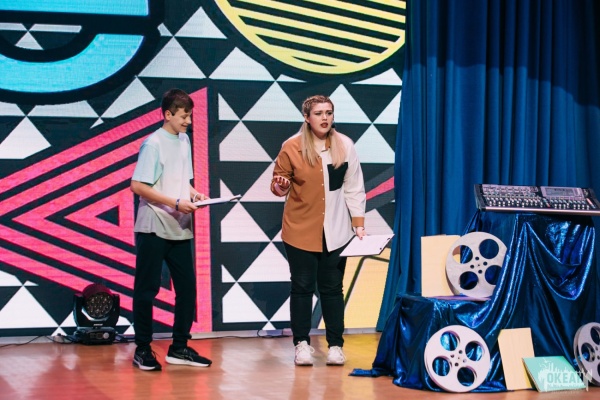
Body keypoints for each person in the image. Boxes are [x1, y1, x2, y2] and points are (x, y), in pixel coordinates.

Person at [270, 95, 367, 366]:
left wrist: (358, 224)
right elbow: (278, 184)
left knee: (333, 289)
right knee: (301, 287)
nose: (325, 118)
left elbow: (354, 187)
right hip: (300, 230)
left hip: (336, 231)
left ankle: (336, 345)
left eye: (329, 113)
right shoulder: (291, 146)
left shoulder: (345, 145)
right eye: (319, 113)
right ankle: (301, 344)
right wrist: (280, 185)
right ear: (307, 117)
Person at [130, 88, 212, 371]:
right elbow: (138, 185)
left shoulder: (183, 140)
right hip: (153, 224)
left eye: (190, 116)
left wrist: (194, 193)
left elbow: (181, 179)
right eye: (183, 116)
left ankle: (179, 348)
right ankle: (142, 348)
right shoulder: (153, 144)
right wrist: (175, 202)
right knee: (147, 289)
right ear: (168, 114)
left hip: (179, 226)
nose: (188, 121)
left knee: (187, 289)